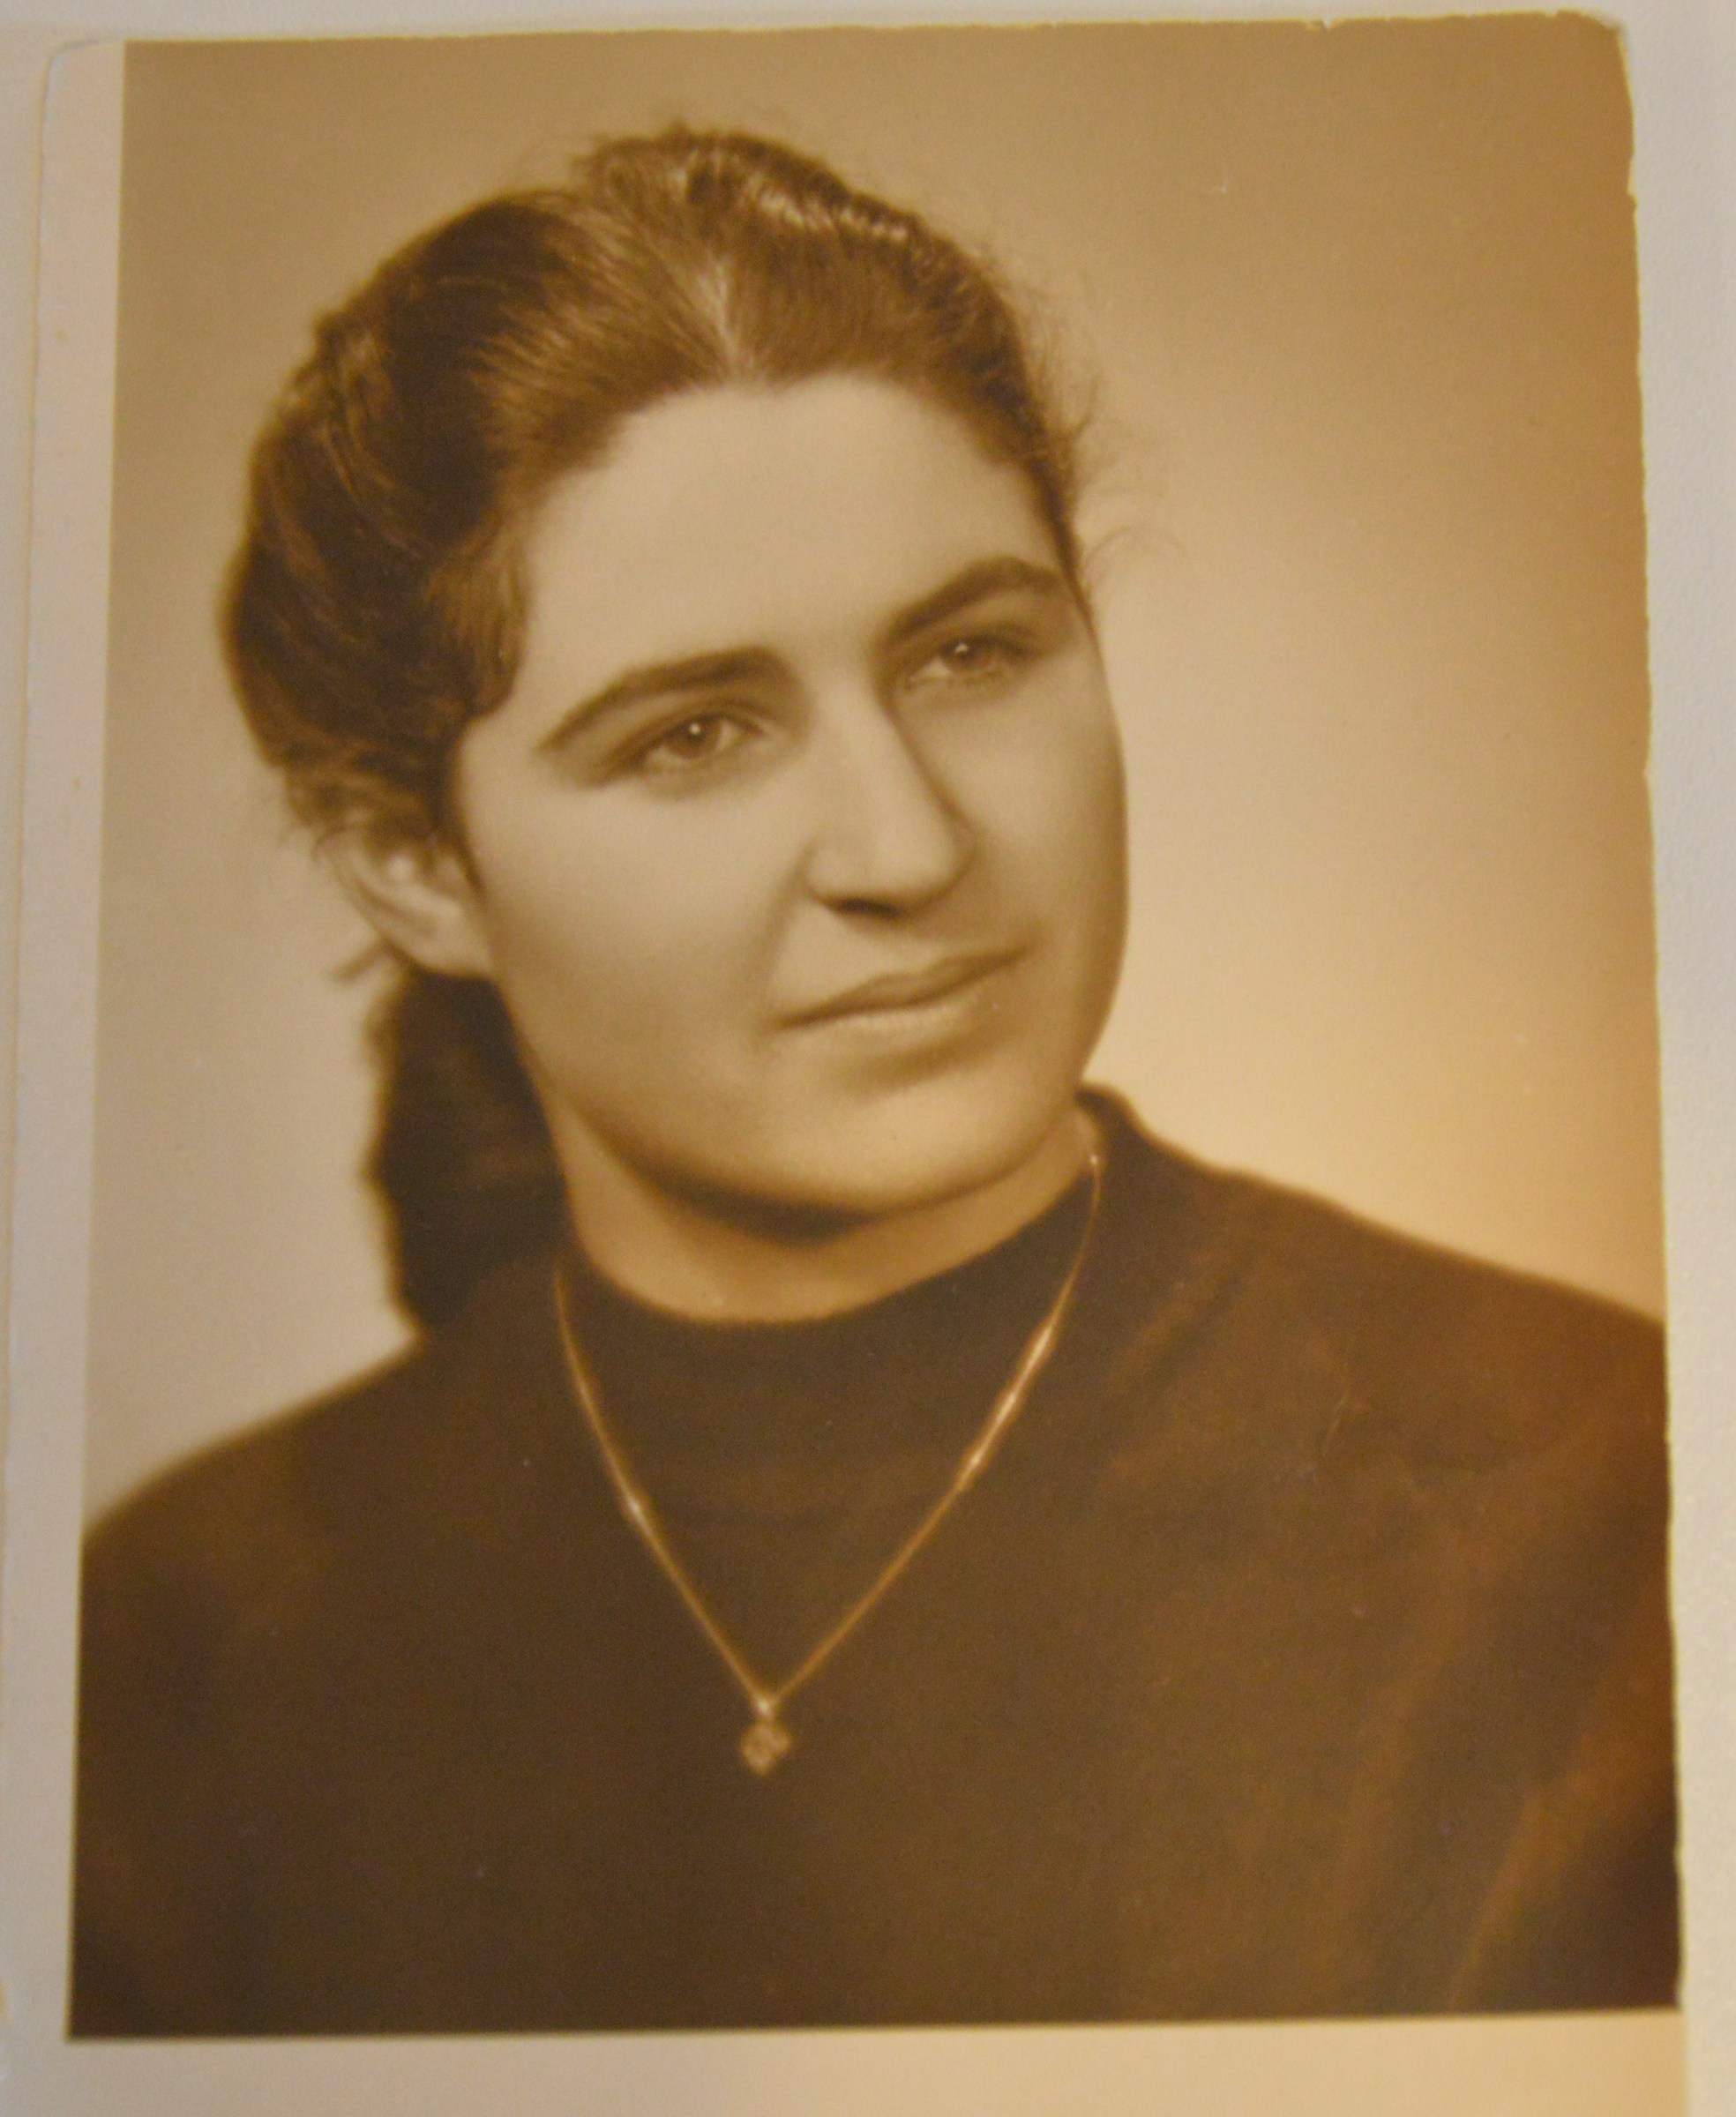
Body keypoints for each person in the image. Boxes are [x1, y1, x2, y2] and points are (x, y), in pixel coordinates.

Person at [71, 127, 1677, 2036]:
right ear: (417, 867)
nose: (907, 846)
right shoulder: (174, 1652)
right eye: (695, 735)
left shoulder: (1603, 1508)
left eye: (971, 654)